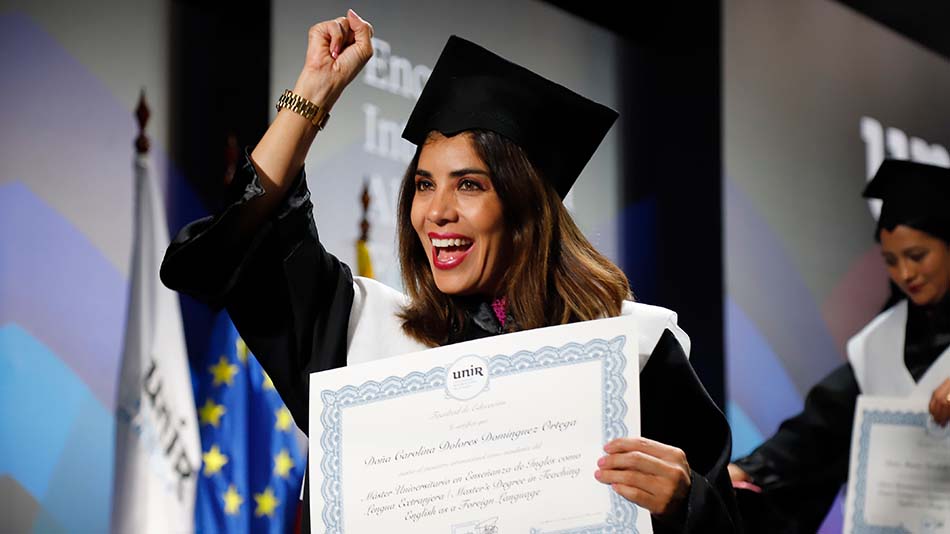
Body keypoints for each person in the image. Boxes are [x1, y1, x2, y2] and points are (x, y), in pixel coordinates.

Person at [161, 10, 740, 533]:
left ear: (524, 209)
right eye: (422, 184)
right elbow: (225, 257)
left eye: (469, 184)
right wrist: (311, 96)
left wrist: (683, 506)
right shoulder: (366, 337)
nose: (436, 211)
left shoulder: (632, 354)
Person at [729, 159, 950, 533]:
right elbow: (817, 433)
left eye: (917, 256)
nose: (905, 274)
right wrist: (747, 470)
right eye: (891, 261)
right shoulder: (878, 342)